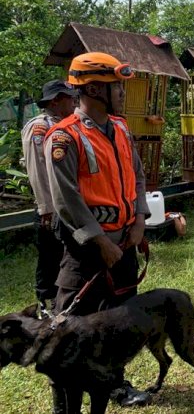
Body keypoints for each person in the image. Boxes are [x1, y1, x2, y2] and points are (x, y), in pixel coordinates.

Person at [45, 52, 151, 408]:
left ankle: (115, 384)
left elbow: (137, 176)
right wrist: (99, 240)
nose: (122, 92)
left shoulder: (120, 128)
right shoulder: (63, 137)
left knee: (119, 320)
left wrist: (139, 219)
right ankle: (64, 399)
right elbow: (66, 199)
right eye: (116, 85)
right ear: (92, 88)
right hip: (88, 249)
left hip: (125, 242)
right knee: (70, 326)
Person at [21, 80, 76, 308]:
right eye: (69, 98)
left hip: (66, 205)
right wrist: (46, 208)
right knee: (49, 257)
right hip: (50, 207)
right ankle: (45, 304)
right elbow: (38, 170)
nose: (74, 103)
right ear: (56, 101)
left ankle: (63, 301)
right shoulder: (40, 127)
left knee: (66, 255)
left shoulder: (64, 125)